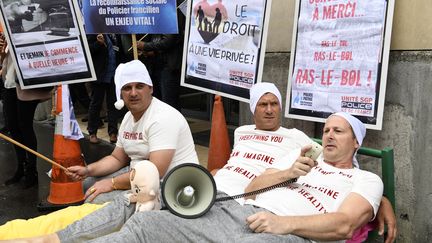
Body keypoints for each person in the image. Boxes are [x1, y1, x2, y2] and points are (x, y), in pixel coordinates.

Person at [25, 83, 395, 242]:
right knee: (146, 224)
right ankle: (54, 238)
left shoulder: (302, 142)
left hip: (278, 227)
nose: (327, 136)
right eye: (326, 129)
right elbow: (253, 185)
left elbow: (348, 221)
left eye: (338, 132)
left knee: (145, 200)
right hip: (235, 205)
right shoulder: (272, 144)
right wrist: (288, 172)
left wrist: (381, 202)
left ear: (356, 141)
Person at [66, 60, 199, 203]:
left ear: (151, 88)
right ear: (120, 94)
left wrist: (112, 183)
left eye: (139, 86)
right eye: (127, 88)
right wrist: (88, 170)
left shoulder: (162, 117)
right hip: (139, 177)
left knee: (96, 199)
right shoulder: (128, 117)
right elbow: (117, 158)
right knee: (86, 184)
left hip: (168, 185)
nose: (133, 93)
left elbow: (155, 172)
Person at [0, 35, 51, 188]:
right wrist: (3, 50)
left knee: (25, 127)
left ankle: (31, 170)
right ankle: (21, 168)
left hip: (27, 86)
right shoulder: (7, 35)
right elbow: (5, 60)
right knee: (13, 127)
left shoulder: (29, 35)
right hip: (9, 84)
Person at [86, 33, 123, 144]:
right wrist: (98, 43)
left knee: (113, 104)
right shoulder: (93, 32)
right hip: (99, 74)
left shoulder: (114, 34)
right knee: (96, 103)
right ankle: (92, 132)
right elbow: (88, 50)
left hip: (113, 75)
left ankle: (113, 132)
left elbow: (119, 51)